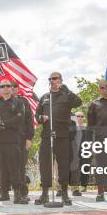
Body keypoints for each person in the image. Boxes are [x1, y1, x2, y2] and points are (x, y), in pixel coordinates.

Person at [34, 72, 82, 206]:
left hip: (62, 136)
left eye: (55, 78)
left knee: (63, 165)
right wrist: (40, 118)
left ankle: (65, 194)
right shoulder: (45, 97)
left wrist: (67, 90)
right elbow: (36, 116)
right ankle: (44, 194)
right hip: (47, 136)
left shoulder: (66, 96)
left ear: (61, 80)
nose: (52, 80)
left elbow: (78, 102)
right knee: (45, 165)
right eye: (50, 79)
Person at [13, 81, 34, 201]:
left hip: (22, 139)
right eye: (11, 86)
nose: (13, 88)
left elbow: (29, 120)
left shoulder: (24, 101)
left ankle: (22, 193)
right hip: (8, 140)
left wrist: (29, 138)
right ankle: (14, 193)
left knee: (21, 166)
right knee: (11, 167)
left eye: (15, 86)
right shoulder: (2, 101)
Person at [70, 112, 90, 195]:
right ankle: (62, 188)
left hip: (83, 150)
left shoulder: (86, 127)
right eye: (78, 116)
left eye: (82, 116)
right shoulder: (72, 126)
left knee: (83, 168)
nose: (80, 117)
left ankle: (81, 186)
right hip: (71, 150)